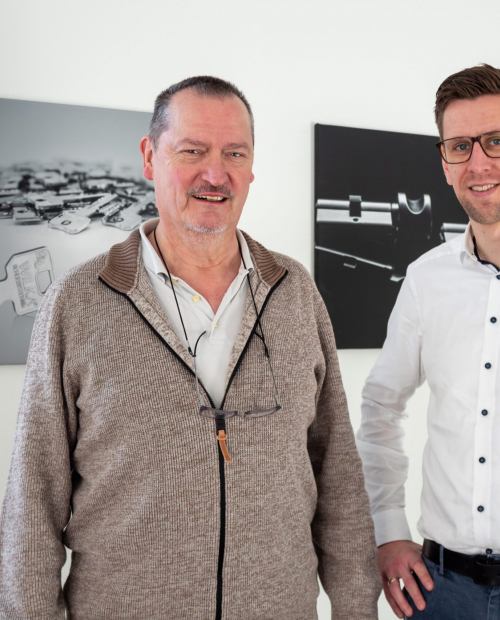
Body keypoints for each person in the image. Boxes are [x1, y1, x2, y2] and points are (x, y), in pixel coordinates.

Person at [0, 76, 380, 619]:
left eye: (234, 153)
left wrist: (356, 609)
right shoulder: (77, 303)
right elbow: (32, 503)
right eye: (192, 151)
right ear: (150, 158)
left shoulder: (295, 293)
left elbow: (337, 475)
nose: (215, 173)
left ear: (252, 168)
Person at [357, 63, 500, 619]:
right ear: (444, 163)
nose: (479, 163)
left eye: (495, 141)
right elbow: (381, 406)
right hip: (444, 591)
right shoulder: (425, 279)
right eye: (461, 146)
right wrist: (389, 531)